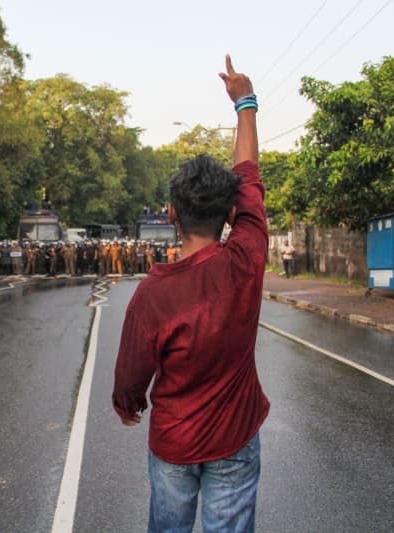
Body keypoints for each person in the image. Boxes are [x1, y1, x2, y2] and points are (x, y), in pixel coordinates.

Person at [112, 56, 269, 533]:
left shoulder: (153, 295)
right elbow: (249, 177)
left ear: (171, 214)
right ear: (228, 214)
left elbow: (131, 373)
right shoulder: (246, 259)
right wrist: (246, 103)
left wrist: (129, 405)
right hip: (236, 439)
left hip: (175, 440)